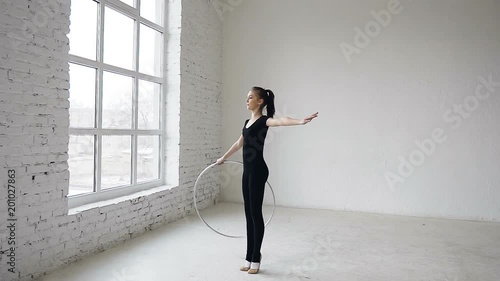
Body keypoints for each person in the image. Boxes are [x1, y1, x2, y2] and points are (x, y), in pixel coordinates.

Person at [216, 86, 318, 274]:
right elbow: (239, 143)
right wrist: (224, 157)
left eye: (250, 97)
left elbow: (281, 121)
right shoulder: (247, 122)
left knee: (255, 214)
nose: (247, 100)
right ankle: (248, 258)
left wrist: (301, 121)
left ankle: (256, 258)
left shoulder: (264, 121)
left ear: (260, 101)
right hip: (247, 172)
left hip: (258, 171)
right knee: (248, 214)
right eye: (247, 97)